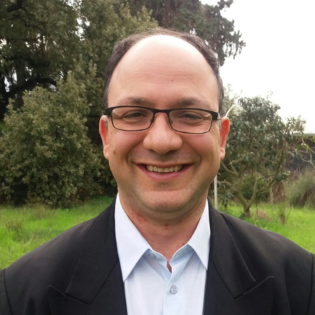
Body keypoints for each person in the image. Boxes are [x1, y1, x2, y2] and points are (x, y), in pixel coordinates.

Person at [0, 28, 314, 315]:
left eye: (190, 115)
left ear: (222, 137)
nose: (162, 141)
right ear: (106, 136)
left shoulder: (301, 284)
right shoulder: (19, 295)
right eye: (134, 114)